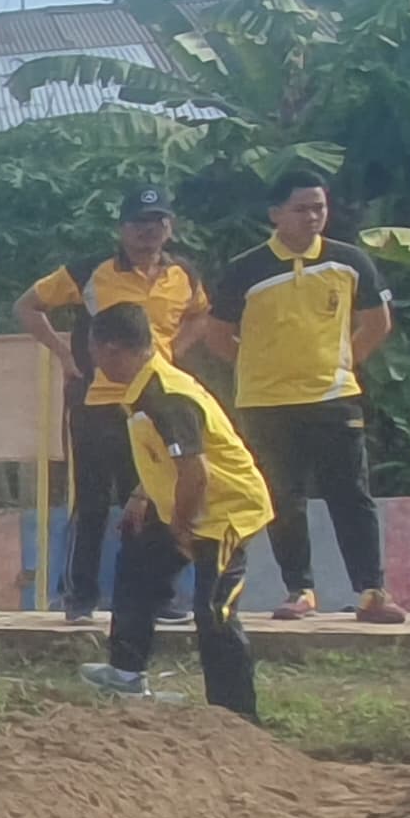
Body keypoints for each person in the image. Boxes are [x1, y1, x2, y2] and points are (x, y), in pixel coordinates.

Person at [198, 170, 403, 624]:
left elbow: (377, 321)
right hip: (265, 404)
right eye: (301, 209)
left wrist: (346, 363)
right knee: (283, 497)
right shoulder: (246, 269)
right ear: (276, 215)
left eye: (319, 207)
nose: (313, 217)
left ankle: (371, 590)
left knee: (351, 494)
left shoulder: (349, 261)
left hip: (333, 397)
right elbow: (217, 335)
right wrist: (257, 368)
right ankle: (300, 590)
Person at [77, 306, 271, 718]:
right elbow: (168, 458)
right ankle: (126, 672)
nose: (94, 360)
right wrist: (142, 494)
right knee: (137, 562)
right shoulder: (143, 389)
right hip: (181, 501)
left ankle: (235, 715)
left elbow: (195, 472)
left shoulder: (166, 395)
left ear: (112, 349)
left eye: (94, 350)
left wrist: (181, 526)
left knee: (214, 611)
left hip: (223, 512)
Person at [17, 187, 202, 619]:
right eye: (138, 223)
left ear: (169, 228)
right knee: (94, 499)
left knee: (156, 497)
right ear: (122, 229)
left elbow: (200, 314)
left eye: (156, 223)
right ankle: (79, 596)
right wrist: (63, 354)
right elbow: (27, 306)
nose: (147, 232)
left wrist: (175, 352)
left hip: (156, 403)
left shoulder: (184, 275)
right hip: (98, 402)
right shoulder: (91, 271)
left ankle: (158, 596)